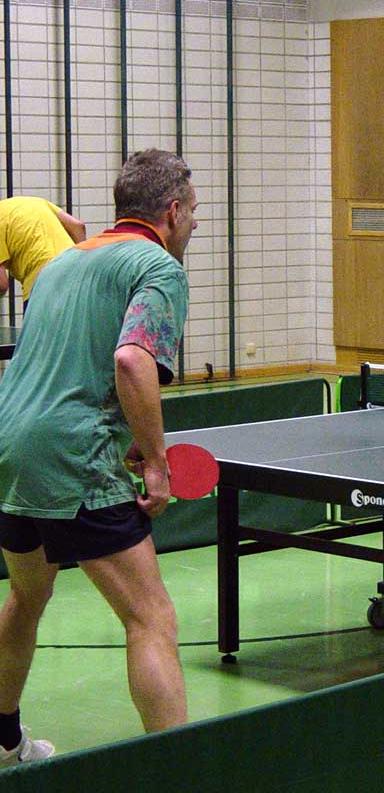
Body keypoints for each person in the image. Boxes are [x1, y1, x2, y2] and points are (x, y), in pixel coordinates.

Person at [0, 149, 197, 766]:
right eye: (193, 212)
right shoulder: (158, 267)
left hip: (10, 447)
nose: (194, 224)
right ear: (171, 211)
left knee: (27, 597)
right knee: (151, 618)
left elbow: (62, 363)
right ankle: (176, 770)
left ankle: (3, 743)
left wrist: (131, 434)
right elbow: (132, 360)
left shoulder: (60, 263)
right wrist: (157, 462)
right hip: (72, 458)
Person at [0, 196, 87, 302]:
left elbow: (2, 284)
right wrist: (81, 266)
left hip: (42, 283)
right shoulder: (33, 202)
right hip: (75, 275)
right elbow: (78, 226)